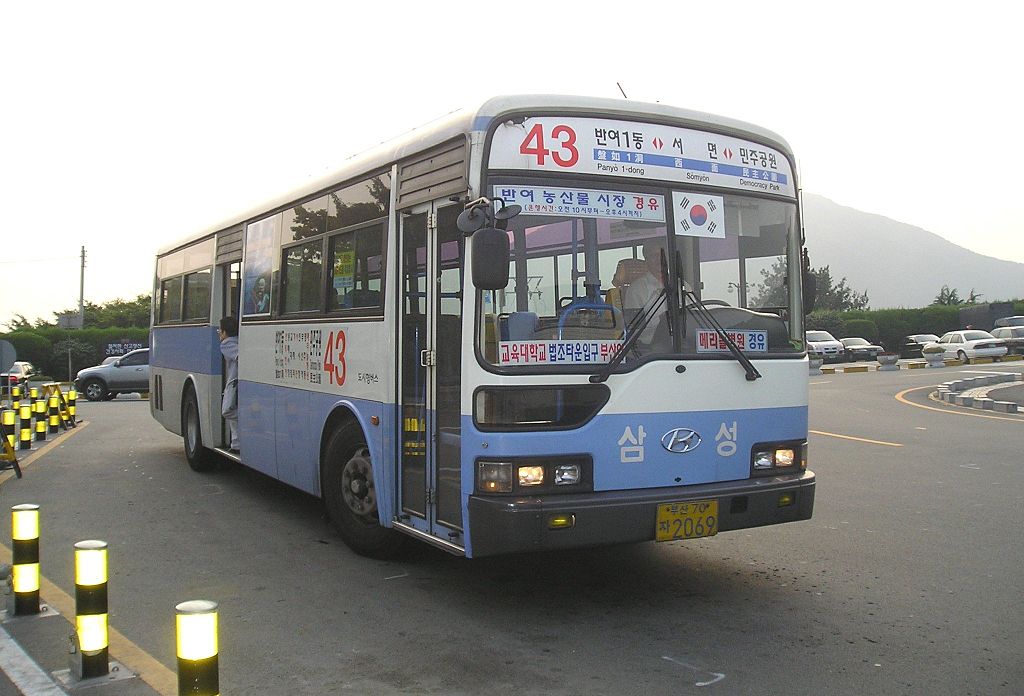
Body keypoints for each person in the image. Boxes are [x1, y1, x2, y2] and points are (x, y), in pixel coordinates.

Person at [218, 315, 239, 451]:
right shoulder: (239, 341)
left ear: (225, 332)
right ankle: (236, 444)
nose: (219, 333)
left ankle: (236, 443)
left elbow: (240, 356)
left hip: (234, 383)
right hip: (236, 383)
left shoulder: (227, 344)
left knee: (227, 411)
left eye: (220, 330)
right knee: (232, 416)